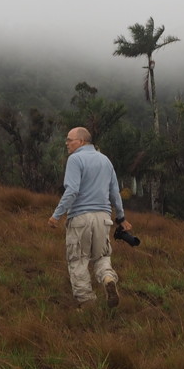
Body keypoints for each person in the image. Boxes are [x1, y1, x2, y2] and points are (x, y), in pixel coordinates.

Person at [48, 126, 131, 309]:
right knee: (101, 257)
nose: (67, 143)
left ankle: (87, 304)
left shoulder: (75, 159)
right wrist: (121, 218)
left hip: (80, 218)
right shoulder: (105, 160)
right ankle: (108, 278)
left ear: (81, 141)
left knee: (78, 260)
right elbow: (115, 193)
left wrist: (56, 215)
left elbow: (72, 190)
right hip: (103, 218)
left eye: (69, 140)